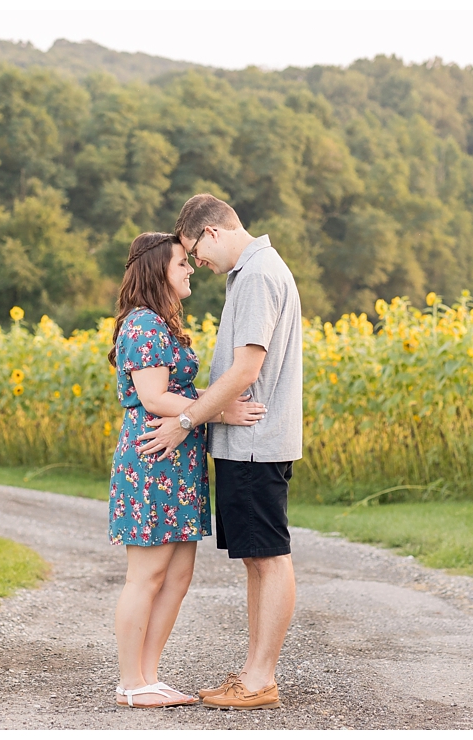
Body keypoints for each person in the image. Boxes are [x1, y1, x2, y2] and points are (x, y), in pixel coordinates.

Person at [139, 195, 302, 711]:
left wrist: (186, 421)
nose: (198, 265)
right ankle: (255, 672)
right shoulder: (252, 273)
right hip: (247, 446)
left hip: (256, 446)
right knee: (257, 558)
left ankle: (260, 679)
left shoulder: (256, 276)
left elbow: (245, 370)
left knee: (269, 557)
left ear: (211, 233)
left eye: (194, 252)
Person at [107, 231, 267, 708]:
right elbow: (154, 398)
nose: (190, 268)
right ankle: (131, 683)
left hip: (179, 460)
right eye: (182, 263)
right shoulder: (143, 326)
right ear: (158, 271)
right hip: (153, 460)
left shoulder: (163, 324)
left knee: (177, 577)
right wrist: (221, 410)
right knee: (147, 576)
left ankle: (150, 676)